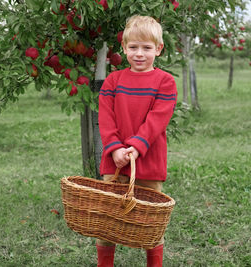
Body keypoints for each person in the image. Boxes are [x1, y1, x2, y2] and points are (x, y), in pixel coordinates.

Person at [97, 15, 177, 267]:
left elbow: (157, 119)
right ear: (123, 48)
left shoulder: (165, 82)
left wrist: (136, 147)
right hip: (116, 162)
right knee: (107, 221)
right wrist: (114, 149)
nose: (139, 54)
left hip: (148, 162)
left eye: (147, 48)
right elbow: (105, 117)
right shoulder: (113, 81)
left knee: (151, 222)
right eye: (133, 47)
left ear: (159, 49)